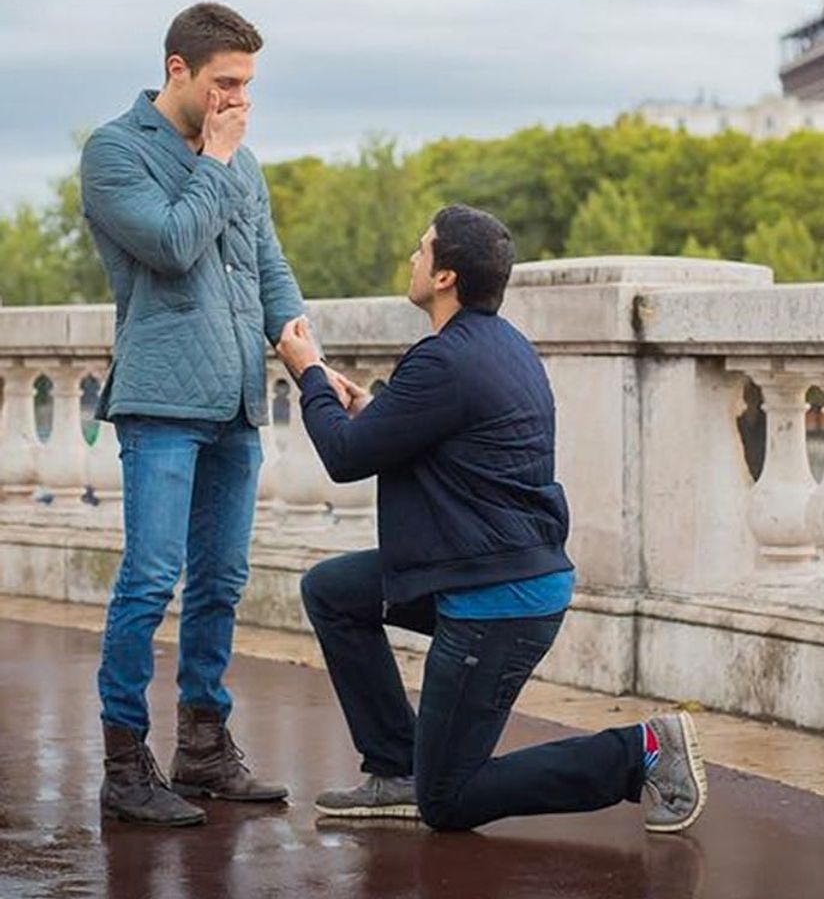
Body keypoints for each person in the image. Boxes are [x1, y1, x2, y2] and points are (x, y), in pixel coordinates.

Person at [276, 204, 707, 833]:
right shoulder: (502, 347)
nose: (413, 258)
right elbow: (439, 436)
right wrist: (372, 406)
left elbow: (345, 457)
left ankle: (641, 751)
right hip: (484, 572)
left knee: (449, 801)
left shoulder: (444, 360)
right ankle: (397, 767)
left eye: (422, 249)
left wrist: (308, 373)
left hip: (498, 601)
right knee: (334, 593)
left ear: (446, 276)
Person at [80, 2, 346, 826]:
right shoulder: (115, 151)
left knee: (222, 582)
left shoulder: (242, 162)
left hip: (235, 402)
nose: (239, 100)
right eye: (226, 82)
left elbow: (270, 269)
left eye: (248, 85)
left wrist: (312, 363)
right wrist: (220, 160)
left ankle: (202, 749)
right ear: (177, 71)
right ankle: (125, 765)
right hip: (161, 398)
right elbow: (168, 245)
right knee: (151, 578)